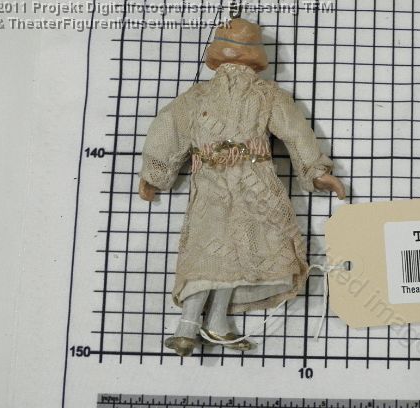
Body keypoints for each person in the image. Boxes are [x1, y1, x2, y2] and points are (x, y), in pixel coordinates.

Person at [138, 18, 345, 356]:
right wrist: (155, 172)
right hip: (216, 183)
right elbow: (169, 129)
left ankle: (216, 322)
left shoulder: (263, 96)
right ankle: (187, 326)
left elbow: (295, 133)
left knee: (236, 254)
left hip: (253, 183)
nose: (234, 67)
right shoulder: (202, 97)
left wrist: (315, 170)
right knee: (207, 251)